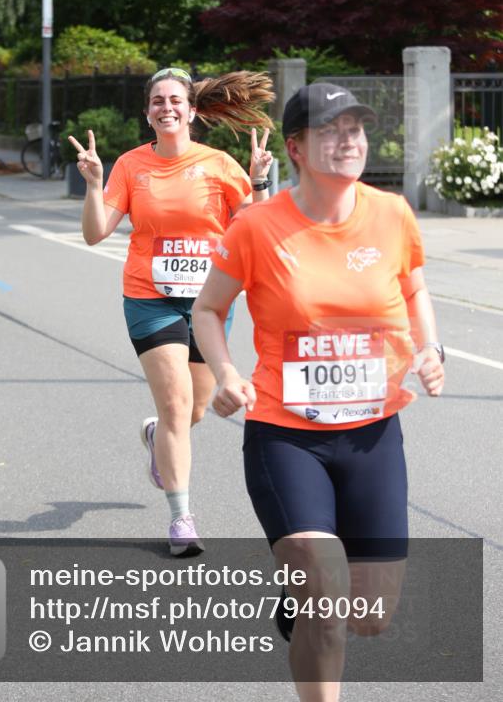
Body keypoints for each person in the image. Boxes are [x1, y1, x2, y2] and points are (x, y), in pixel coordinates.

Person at [192, 82, 445, 701]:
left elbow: (413, 286)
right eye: (330, 131)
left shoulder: (391, 214)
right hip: (286, 437)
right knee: (327, 606)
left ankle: (299, 595)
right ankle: (311, 594)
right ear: (296, 148)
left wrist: (430, 349)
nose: (347, 141)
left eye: (354, 129)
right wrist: (226, 373)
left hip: (372, 436)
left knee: (370, 617)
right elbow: (207, 309)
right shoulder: (257, 226)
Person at [68, 67, 275, 556]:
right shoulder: (130, 166)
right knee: (178, 407)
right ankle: (181, 518)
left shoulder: (220, 164)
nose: (167, 108)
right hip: (150, 297)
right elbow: (95, 234)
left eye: (175, 100)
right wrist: (94, 184)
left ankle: (155, 434)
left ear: (192, 110)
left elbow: (258, 226)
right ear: (148, 113)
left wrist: (259, 181)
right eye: (157, 101)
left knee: (194, 410)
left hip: (209, 303)